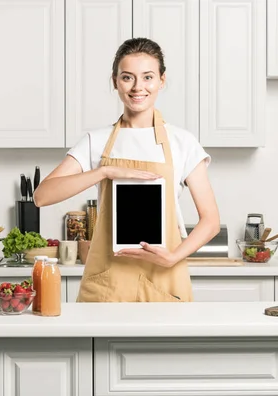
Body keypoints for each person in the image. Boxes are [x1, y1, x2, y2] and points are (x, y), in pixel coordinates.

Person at [33, 38, 220, 302]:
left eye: (147, 77)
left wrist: (173, 257)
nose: (137, 87)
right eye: (127, 77)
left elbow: (210, 221)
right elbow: (42, 196)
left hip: (163, 277)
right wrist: (104, 172)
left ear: (162, 81)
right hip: (108, 280)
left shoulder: (182, 142)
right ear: (115, 81)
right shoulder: (96, 141)